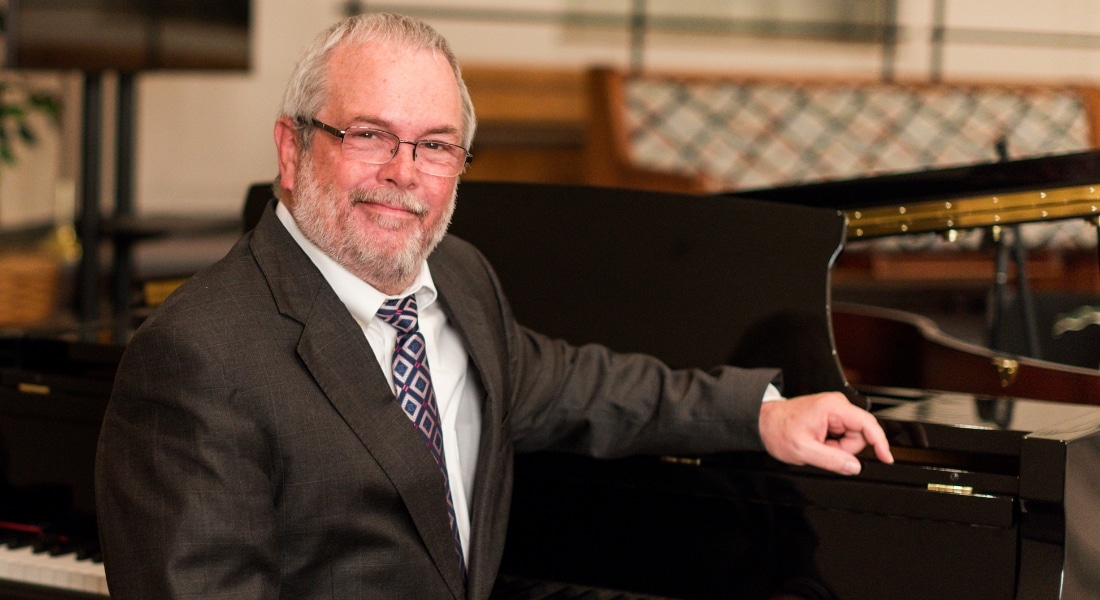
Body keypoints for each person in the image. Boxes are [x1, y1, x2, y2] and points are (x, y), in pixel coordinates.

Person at [94, 12, 893, 600]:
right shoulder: (198, 357)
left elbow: (575, 384)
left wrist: (761, 412)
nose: (405, 172)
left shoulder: (461, 277)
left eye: (436, 145)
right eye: (369, 134)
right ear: (293, 149)